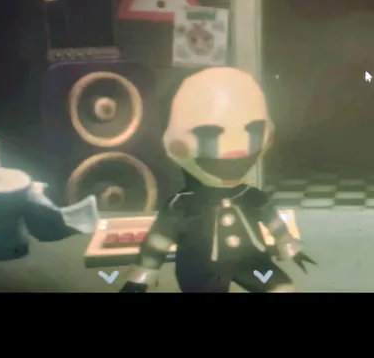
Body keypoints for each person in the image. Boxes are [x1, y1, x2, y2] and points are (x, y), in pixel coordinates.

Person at [119, 67, 315, 293]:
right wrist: (143, 273)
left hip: (252, 264)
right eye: (209, 135)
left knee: (282, 288)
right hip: (200, 271)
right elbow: (158, 241)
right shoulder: (181, 206)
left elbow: (274, 223)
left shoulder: (251, 197)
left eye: (254, 130)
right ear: (172, 143)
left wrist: (287, 243)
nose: (237, 146)